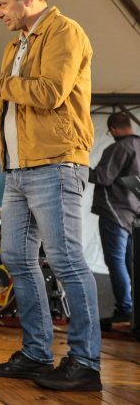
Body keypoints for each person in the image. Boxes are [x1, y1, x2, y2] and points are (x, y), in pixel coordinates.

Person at [0, 0, 100, 391]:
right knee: (15, 258)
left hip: (55, 162)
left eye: (1, 4)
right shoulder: (15, 45)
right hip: (18, 169)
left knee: (67, 260)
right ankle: (37, 354)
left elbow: (50, 92)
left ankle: (86, 362)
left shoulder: (65, 32)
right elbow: (10, 109)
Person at [89, 112, 138, 325]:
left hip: (115, 211)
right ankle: (133, 313)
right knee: (130, 264)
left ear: (114, 130)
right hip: (133, 214)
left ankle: (124, 310)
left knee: (116, 262)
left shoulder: (118, 147)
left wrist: (78, 167)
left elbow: (102, 177)